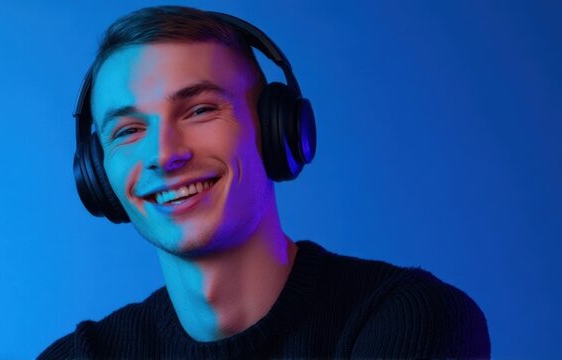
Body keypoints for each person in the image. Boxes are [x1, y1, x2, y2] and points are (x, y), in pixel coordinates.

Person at [41, 5, 490, 359]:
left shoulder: (409, 318)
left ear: (278, 130)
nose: (163, 154)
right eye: (128, 132)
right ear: (99, 174)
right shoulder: (81, 356)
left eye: (199, 110)